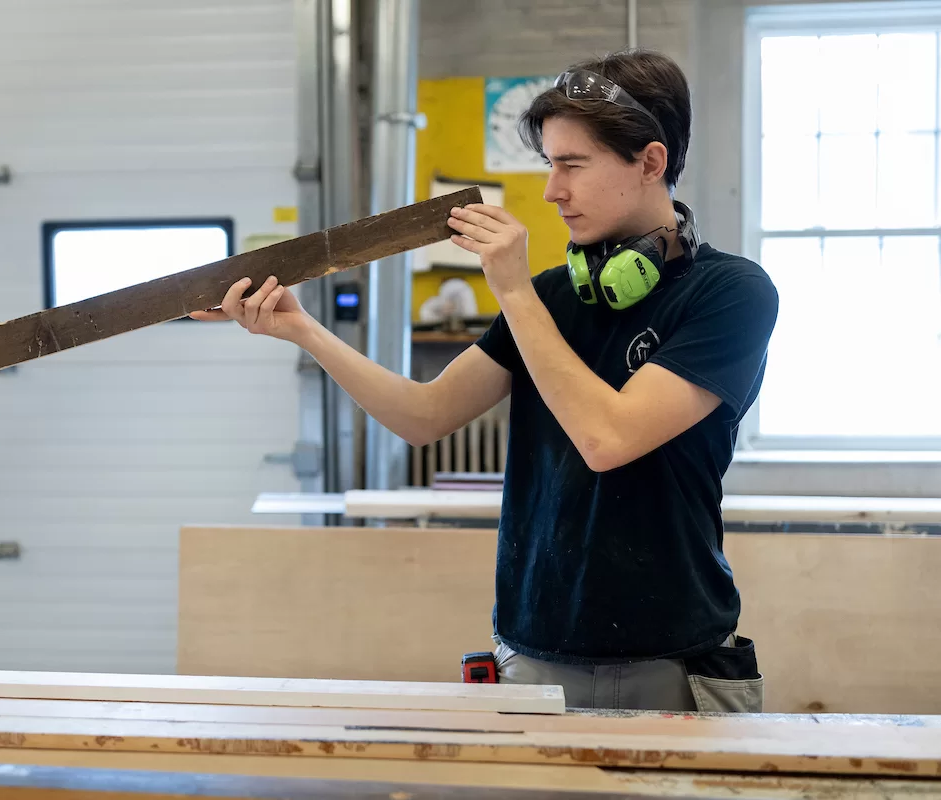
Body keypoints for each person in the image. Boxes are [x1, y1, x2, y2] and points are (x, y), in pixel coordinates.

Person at [191, 48, 778, 713]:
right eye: (549, 165)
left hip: (671, 659)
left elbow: (607, 438)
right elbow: (424, 415)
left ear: (649, 161)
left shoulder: (730, 294)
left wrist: (513, 291)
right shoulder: (554, 296)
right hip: (532, 653)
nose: (553, 190)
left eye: (572, 165)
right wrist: (304, 330)